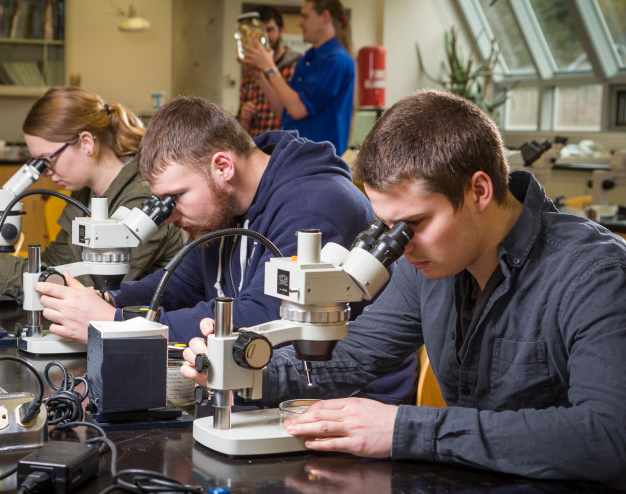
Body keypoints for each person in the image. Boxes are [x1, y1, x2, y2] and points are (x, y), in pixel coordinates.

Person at [181, 89, 626, 483]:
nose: (402, 246)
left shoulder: (593, 274)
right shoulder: (429, 264)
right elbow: (355, 356)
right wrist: (244, 371)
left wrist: (403, 429)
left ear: (479, 191)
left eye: (413, 223)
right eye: (388, 227)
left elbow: (609, 438)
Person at [35, 95, 417, 405]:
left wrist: (118, 324)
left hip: (349, 399)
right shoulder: (224, 210)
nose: (167, 216)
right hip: (267, 385)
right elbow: (180, 283)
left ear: (222, 166)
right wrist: (102, 298)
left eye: (175, 197)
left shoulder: (316, 202)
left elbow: (265, 315)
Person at [0, 86, 186, 294]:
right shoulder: (84, 195)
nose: (44, 173)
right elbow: (53, 264)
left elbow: (94, 286)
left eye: (47, 159)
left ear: (86, 143)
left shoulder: (143, 198)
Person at [243, 0, 354, 155]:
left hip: (319, 161)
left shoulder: (337, 60)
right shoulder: (308, 59)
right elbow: (285, 111)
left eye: (305, 17)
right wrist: (260, 77)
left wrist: (269, 67)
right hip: (299, 157)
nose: (300, 23)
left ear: (325, 17)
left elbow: (298, 109)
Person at [237, 6, 301, 137]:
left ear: (281, 31)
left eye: (270, 30)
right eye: (259, 31)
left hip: (286, 148)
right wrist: (245, 118)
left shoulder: (297, 65)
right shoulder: (251, 71)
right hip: (256, 147)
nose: (264, 36)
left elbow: (294, 114)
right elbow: (241, 131)